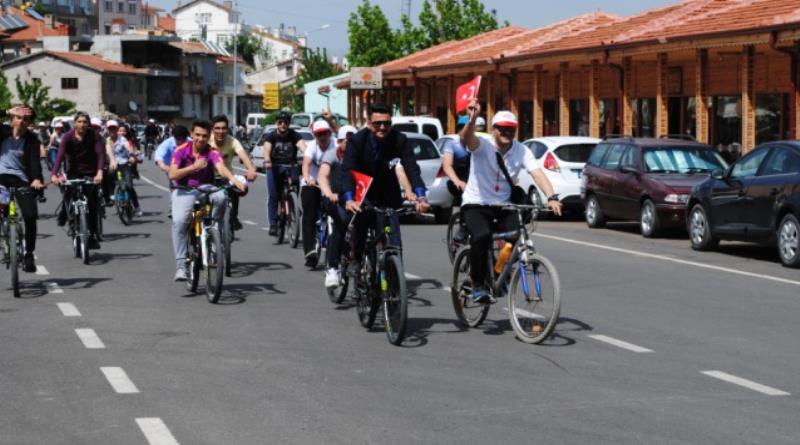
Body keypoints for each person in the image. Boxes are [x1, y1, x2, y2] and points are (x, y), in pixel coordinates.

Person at [459, 99, 562, 303]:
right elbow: (466, 139)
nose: (507, 133)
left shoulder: (521, 150)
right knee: (482, 236)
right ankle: (478, 283)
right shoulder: (482, 144)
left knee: (516, 236)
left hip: (503, 205)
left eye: (511, 129)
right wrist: (472, 119)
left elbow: (538, 174)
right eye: (502, 129)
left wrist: (551, 197)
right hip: (476, 203)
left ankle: (498, 273)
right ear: (493, 129)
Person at [341, 103, 429, 274]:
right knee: (361, 220)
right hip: (363, 188)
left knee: (393, 235)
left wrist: (421, 196)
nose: (383, 127)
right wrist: (350, 199)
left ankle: (395, 275)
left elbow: (411, 168)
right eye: (377, 123)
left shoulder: (400, 139)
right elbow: (348, 171)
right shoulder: (357, 141)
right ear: (369, 123)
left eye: (387, 123)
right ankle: (357, 259)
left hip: (388, 191)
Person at [169, 120, 245, 281]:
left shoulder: (212, 152)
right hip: (184, 190)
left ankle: (213, 231)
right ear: (191, 134)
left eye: (204, 136)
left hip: (206, 189)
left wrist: (233, 179)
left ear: (208, 136)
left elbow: (221, 167)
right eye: (197, 135)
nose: (201, 139)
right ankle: (182, 266)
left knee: (221, 197)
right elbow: (173, 174)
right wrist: (193, 167)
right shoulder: (181, 150)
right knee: (180, 221)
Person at [0, 105, 46, 272]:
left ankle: (28, 254)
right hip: (0, 178)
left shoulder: (32, 140)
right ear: (12, 119)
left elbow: (35, 162)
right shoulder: (3, 132)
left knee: (30, 215)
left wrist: (36, 179)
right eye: (19, 117)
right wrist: (6, 111)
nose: (22, 121)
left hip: (21, 180)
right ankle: (6, 237)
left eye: (26, 119)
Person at [51, 112, 105, 249]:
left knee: (92, 204)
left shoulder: (95, 136)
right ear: (74, 123)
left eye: (85, 122)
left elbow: (100, 155)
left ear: (88, 124)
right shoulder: (67, 137)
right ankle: (67, 217)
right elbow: (60, 156)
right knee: (68, 195)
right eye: (79, 121)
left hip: (91, 173)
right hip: (72, 171)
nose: (82, 124)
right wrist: (54, 174)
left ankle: (92, 235)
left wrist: (99, 172)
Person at [260, 110, 307, 235]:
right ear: (276, 123)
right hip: (274, 167)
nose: (282, 125)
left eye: (285, 122)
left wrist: (308, 156)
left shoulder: (294, 135)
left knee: (296, 181)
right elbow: (266, 149)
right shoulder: (271, 136)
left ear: (288, 123)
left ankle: (294, 204)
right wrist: (267, 160)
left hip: (291, 166)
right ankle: (273, 224)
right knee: (273, 195)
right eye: (280, 122)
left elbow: (303, 147)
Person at [208, 115, 257, 231]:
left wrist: (250, 169)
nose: (221, 131)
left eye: (224, 128)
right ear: (212, 129)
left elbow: (243, 155)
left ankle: (233, 217)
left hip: (227, 176)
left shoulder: (232, 141)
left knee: (237, 188)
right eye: (217, 128)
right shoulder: (207, 141)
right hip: (208, 177)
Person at [300, 119, 337, 267]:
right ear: (315, 135)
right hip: (313, 183)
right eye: (318, 134)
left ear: (329, 133)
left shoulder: (335, 144)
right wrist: (307, 177)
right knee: (309, 213)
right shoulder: (312, 147)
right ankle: (310, 252)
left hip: (331, 184)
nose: (322, 137)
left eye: (325, 134)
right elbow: (306, 164)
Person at [442, 115, 472, 241]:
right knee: (465, 197)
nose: (464, 131)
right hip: (458, 180)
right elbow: (447, 166)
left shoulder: (478, 144)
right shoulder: (452, 145)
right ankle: (463, 227)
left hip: (474, 179)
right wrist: (457, 181)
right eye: (461, 128)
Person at [105, 120, 143, 216]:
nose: (112, 130)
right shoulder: (107, 140)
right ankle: (111, 195)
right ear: (107, 130)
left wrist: (131, 155)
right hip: (113, 164)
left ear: (117, 129)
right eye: (110, 129)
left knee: (129, 186)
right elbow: (109, 151)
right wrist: (112, 161)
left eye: (114, 128)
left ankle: (136, 206)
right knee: (107, 176)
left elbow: (128, 147)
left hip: (124, 163)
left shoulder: (122, 139)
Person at [155, 125, 190, 219]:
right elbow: (159, 156)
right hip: (171, 167)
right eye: (178, 139)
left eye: (183, 139)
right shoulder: (167, 143)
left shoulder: (191, 142)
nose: (180, 141)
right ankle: (173, 207)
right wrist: (163, 166)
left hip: (188, 167)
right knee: (175, 186)